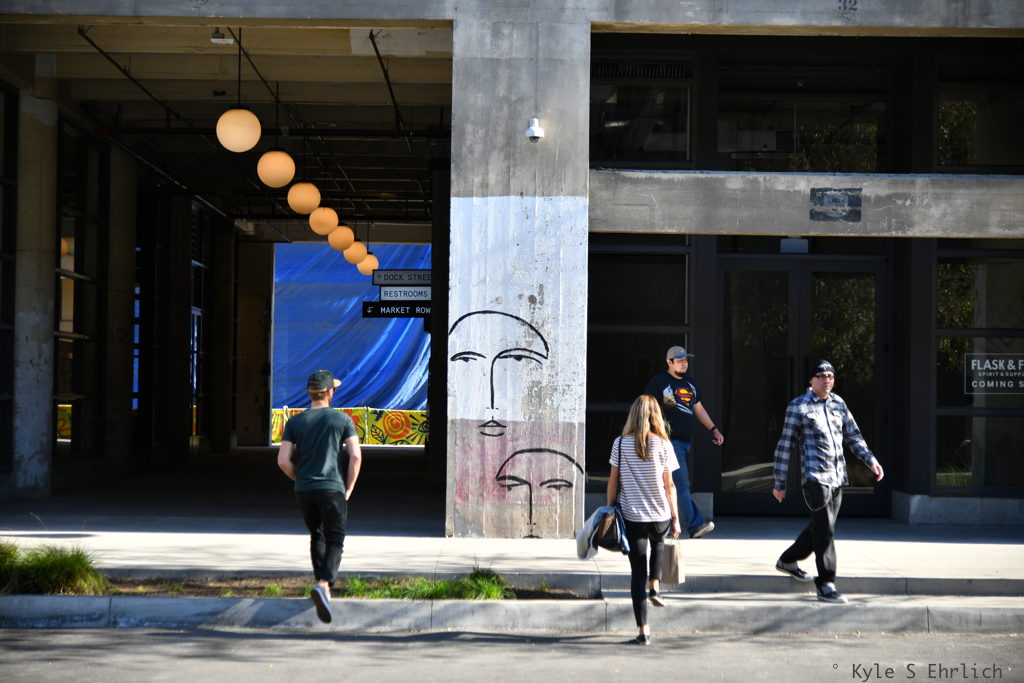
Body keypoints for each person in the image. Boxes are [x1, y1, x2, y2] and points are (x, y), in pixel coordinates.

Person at [771, 360, 884, 605]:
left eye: (830, 376)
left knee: (822, 526)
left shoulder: (838, 403)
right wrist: (780, 482)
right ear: (811, 380)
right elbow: (785, 445)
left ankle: (787, 560)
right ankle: (826, 584)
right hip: (815, 477)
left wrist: (871, 460)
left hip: (837, 476)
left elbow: (853, 436)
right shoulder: (799, 407)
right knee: (825, 531)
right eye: (821, 376)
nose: (827, 380)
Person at [277, 369, 362, 624]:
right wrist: (349, 488)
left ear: (310, 393)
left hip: (304, 490)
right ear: (330, 392)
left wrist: (300, 478)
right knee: (335, 539)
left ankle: (320, 587)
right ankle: (324, 585)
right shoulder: (342, 419)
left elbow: (283, 461)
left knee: (317, 534)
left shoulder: (294, 422)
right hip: (331, 488)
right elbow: (356, 456)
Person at [606, 394, 681, 645]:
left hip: (633, 515)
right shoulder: (664, 444)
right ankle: (655, 585)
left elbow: (613, 481)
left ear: (633, 415)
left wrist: (608, 509)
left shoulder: (620, 444)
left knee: (637, 571)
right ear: (656, 415)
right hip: (660, 513)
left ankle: (643, 631)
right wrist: (676, 517)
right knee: (658, 544)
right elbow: (670, 485)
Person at [644, 345, 723, 539]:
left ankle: (659, 526)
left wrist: (713, 429)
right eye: (679, 361)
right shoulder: (659, 382)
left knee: (669, 485)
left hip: (685, 443)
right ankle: (695, 525)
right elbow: (646, 408)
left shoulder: (690, 383)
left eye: (686, 360)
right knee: (680, 483)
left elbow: (699, 409)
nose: (684, 364)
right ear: (669, 362)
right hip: (668, 442)